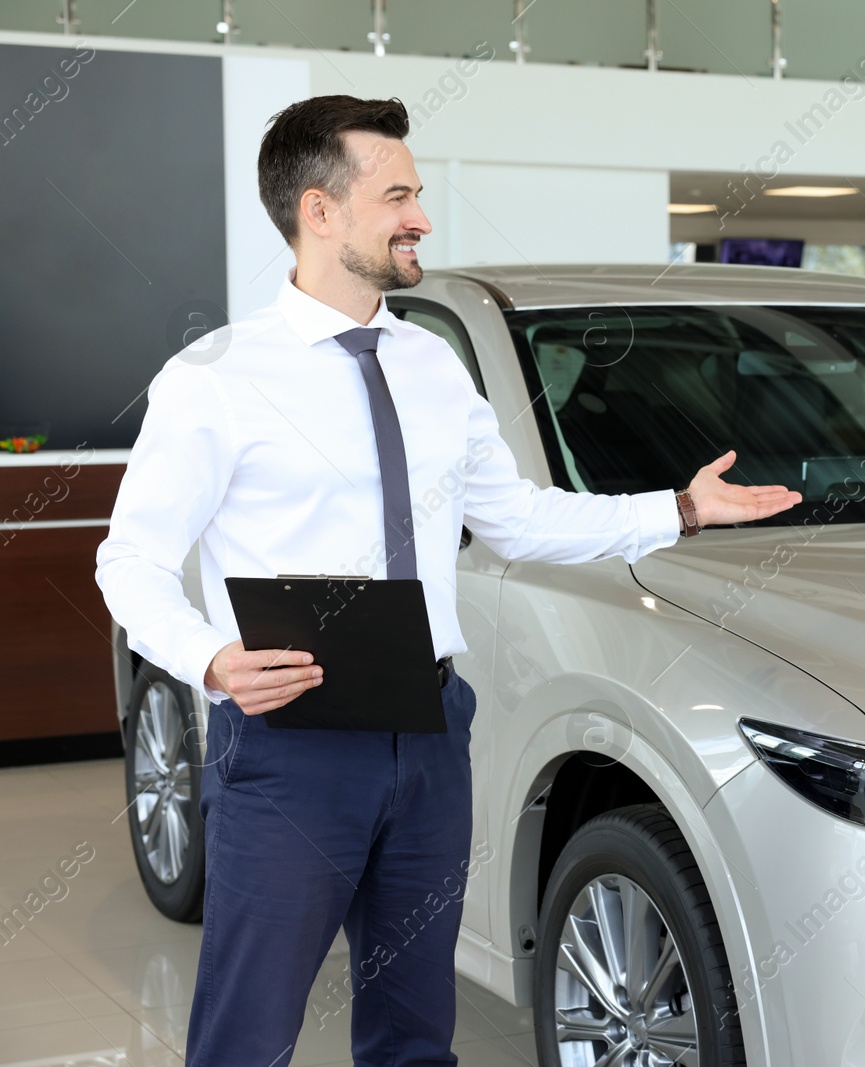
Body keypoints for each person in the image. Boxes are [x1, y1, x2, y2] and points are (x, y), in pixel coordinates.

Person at [94, 94, 801, 1066]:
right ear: (319, 211)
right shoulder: (216, 377)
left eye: (417, 193)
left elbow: (515, 516)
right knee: (246, 1036)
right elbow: (127, 559)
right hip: (291, 745)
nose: (420, 216)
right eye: (397, 196)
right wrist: (208, 661)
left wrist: (672, 509)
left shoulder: (432, 366)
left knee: (416, 1029)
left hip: (429, 733)